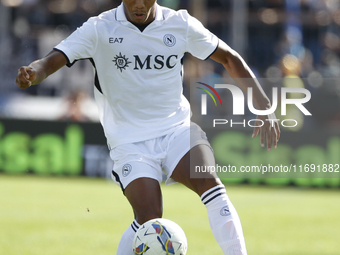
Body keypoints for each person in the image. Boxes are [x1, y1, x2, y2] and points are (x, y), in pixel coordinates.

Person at [15, 1, 280, 254]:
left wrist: (263, 104)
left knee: (210, 182)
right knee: (149, 218)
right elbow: (51, 60)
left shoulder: (180, 23)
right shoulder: (99, 28)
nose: (139, 4)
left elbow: (229, 58)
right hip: (129, 142)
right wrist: (32, 74)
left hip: (176, 129)